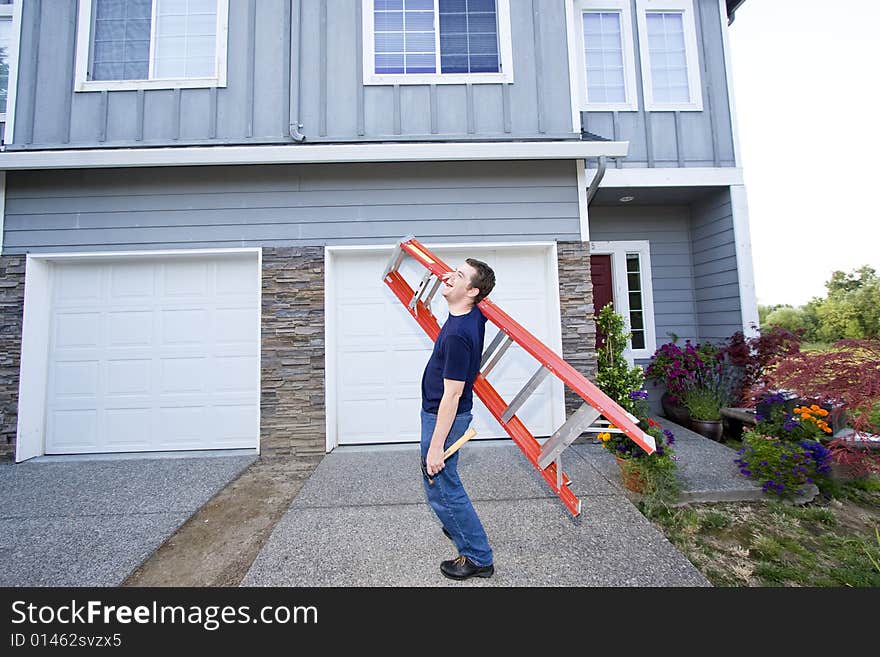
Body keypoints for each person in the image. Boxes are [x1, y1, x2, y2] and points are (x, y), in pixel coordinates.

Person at [420, 257, 496, 580]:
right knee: (444, 483)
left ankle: (478, 556)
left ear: (472, 291)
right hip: (444, 414)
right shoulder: (472, 316)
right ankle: (459, 527)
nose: (448, 276)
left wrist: (436, 447)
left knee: (441, 486)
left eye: (459, 275)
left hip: (444, 417)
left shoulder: (457, 335)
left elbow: (452, 395)